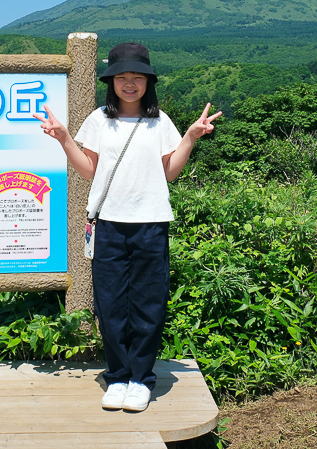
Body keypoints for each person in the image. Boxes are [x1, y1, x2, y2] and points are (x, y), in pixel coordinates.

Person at [35, 42, 221, 412]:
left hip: (150, 223)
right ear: (111, 82)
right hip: (108, 224)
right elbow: (89, 170)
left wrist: (189, 138)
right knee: (110, 304)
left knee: (149, 303)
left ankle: (141, 379)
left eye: (138, 77)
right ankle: (118, 376)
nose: (130, 83)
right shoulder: (98, 120)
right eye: (122, 77)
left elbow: (169, 173)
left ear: (148, 81)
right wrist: (65, 139)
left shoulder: (159, 122)